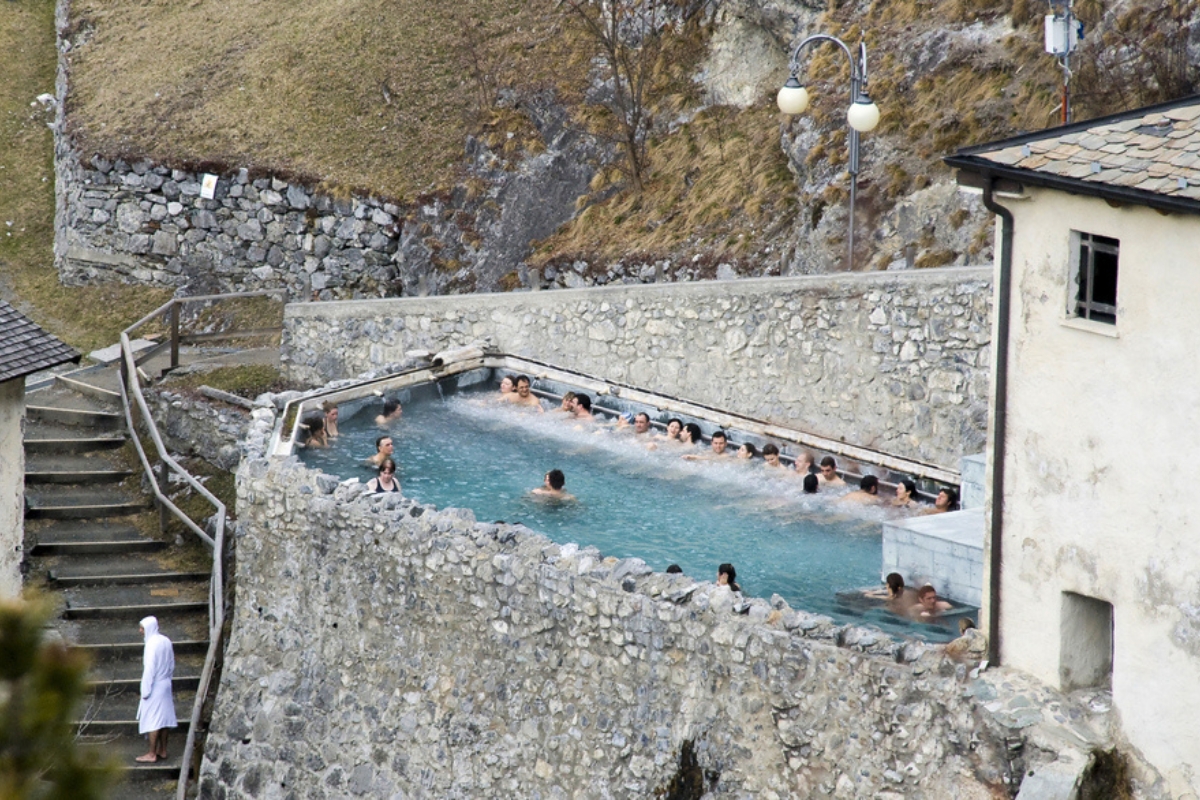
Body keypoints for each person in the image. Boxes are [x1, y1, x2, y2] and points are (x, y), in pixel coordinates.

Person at [135, 616, 177, 763]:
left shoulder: (151, 645)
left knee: (153, 720)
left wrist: (145, 691)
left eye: (142, 628)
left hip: (155, 685)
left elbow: (149, 669)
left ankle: (152, 753)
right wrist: (168, 679)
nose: (140, 631)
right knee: (164, 719)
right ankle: (163, 750)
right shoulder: (165, 640)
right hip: (165, 683)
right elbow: (172, 663)